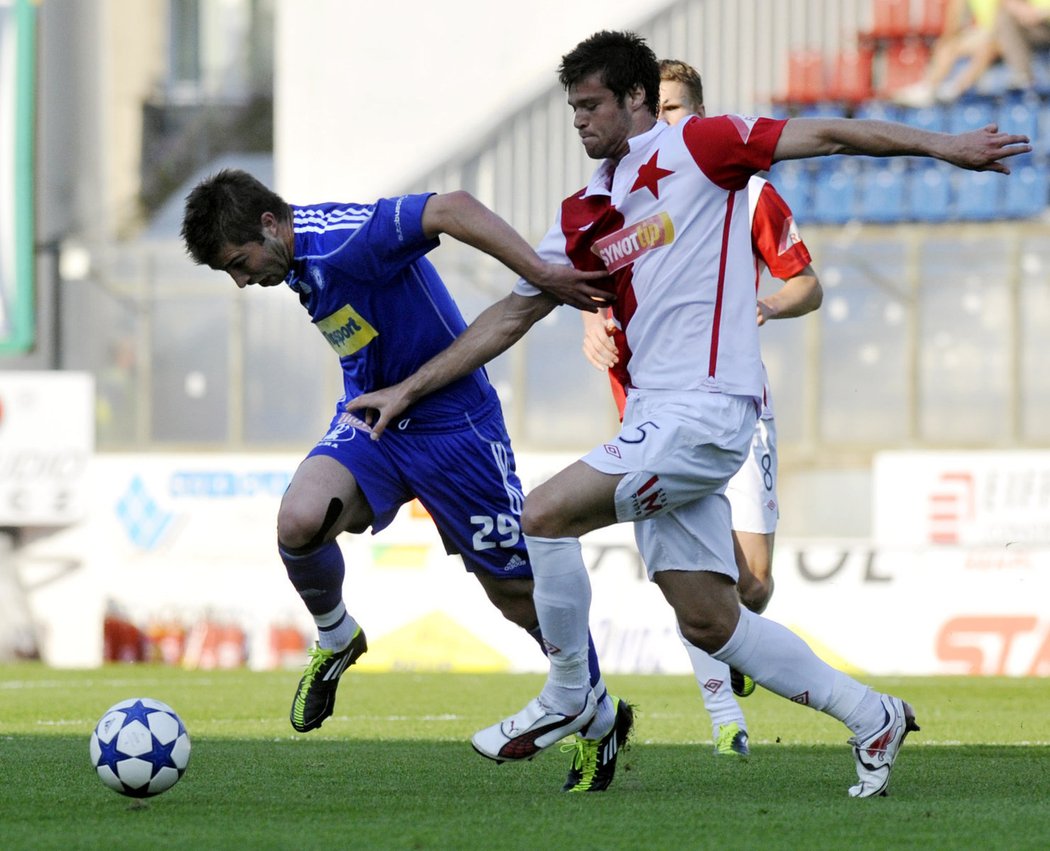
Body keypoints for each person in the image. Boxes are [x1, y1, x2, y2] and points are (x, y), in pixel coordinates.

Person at [345, 31, 1029, 797]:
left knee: (542, 514)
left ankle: (571, 693)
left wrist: (946, 146)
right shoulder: (585, 212)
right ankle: (871, 715)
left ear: (637, 98)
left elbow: (832, 132)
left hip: (705, 410)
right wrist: (408, 391)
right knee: (712, 620)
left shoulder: (705, 146)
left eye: (592, 104)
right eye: (573, 108)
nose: (580, 121)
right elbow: (511, 314)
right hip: (656, 417)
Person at [179, 169, 634, 794]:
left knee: (515, 591)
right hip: (375, 419)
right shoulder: (294, 257)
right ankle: (337, 637)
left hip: (455, 429)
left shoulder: (347, 240)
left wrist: (540, 271)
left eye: (239, 263)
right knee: (299, 520)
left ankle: (597, 713)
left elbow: (451, 208)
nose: (242, 281)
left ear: (268, 224)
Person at [579, 58, 823, 759]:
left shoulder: (744, 192)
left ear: (701, 113)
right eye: (658, 106)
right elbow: (590, 279)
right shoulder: (620, 194)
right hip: (653, 408)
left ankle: (741, 652)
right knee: (694, 573)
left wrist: (763, 304)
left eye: (680, 106)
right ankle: (726, 723)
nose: (668, 118)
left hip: (737, 404)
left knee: (753, 581)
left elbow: (807, 285)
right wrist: (590, 321)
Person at [893, 0, 1003, 106]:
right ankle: (928, 88)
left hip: (1005, 37)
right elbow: (955, 19)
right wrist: (947, 39)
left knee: (986, 48)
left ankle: (956, 90)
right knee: (948, 47)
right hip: (985, 33)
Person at [997, 0, 1050, 89]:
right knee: (1005, 18)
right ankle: (1024, 78)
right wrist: (1022, 11)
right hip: (1037, 26)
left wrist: (1040, 13)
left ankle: (1024, 78)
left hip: (1043, 22)